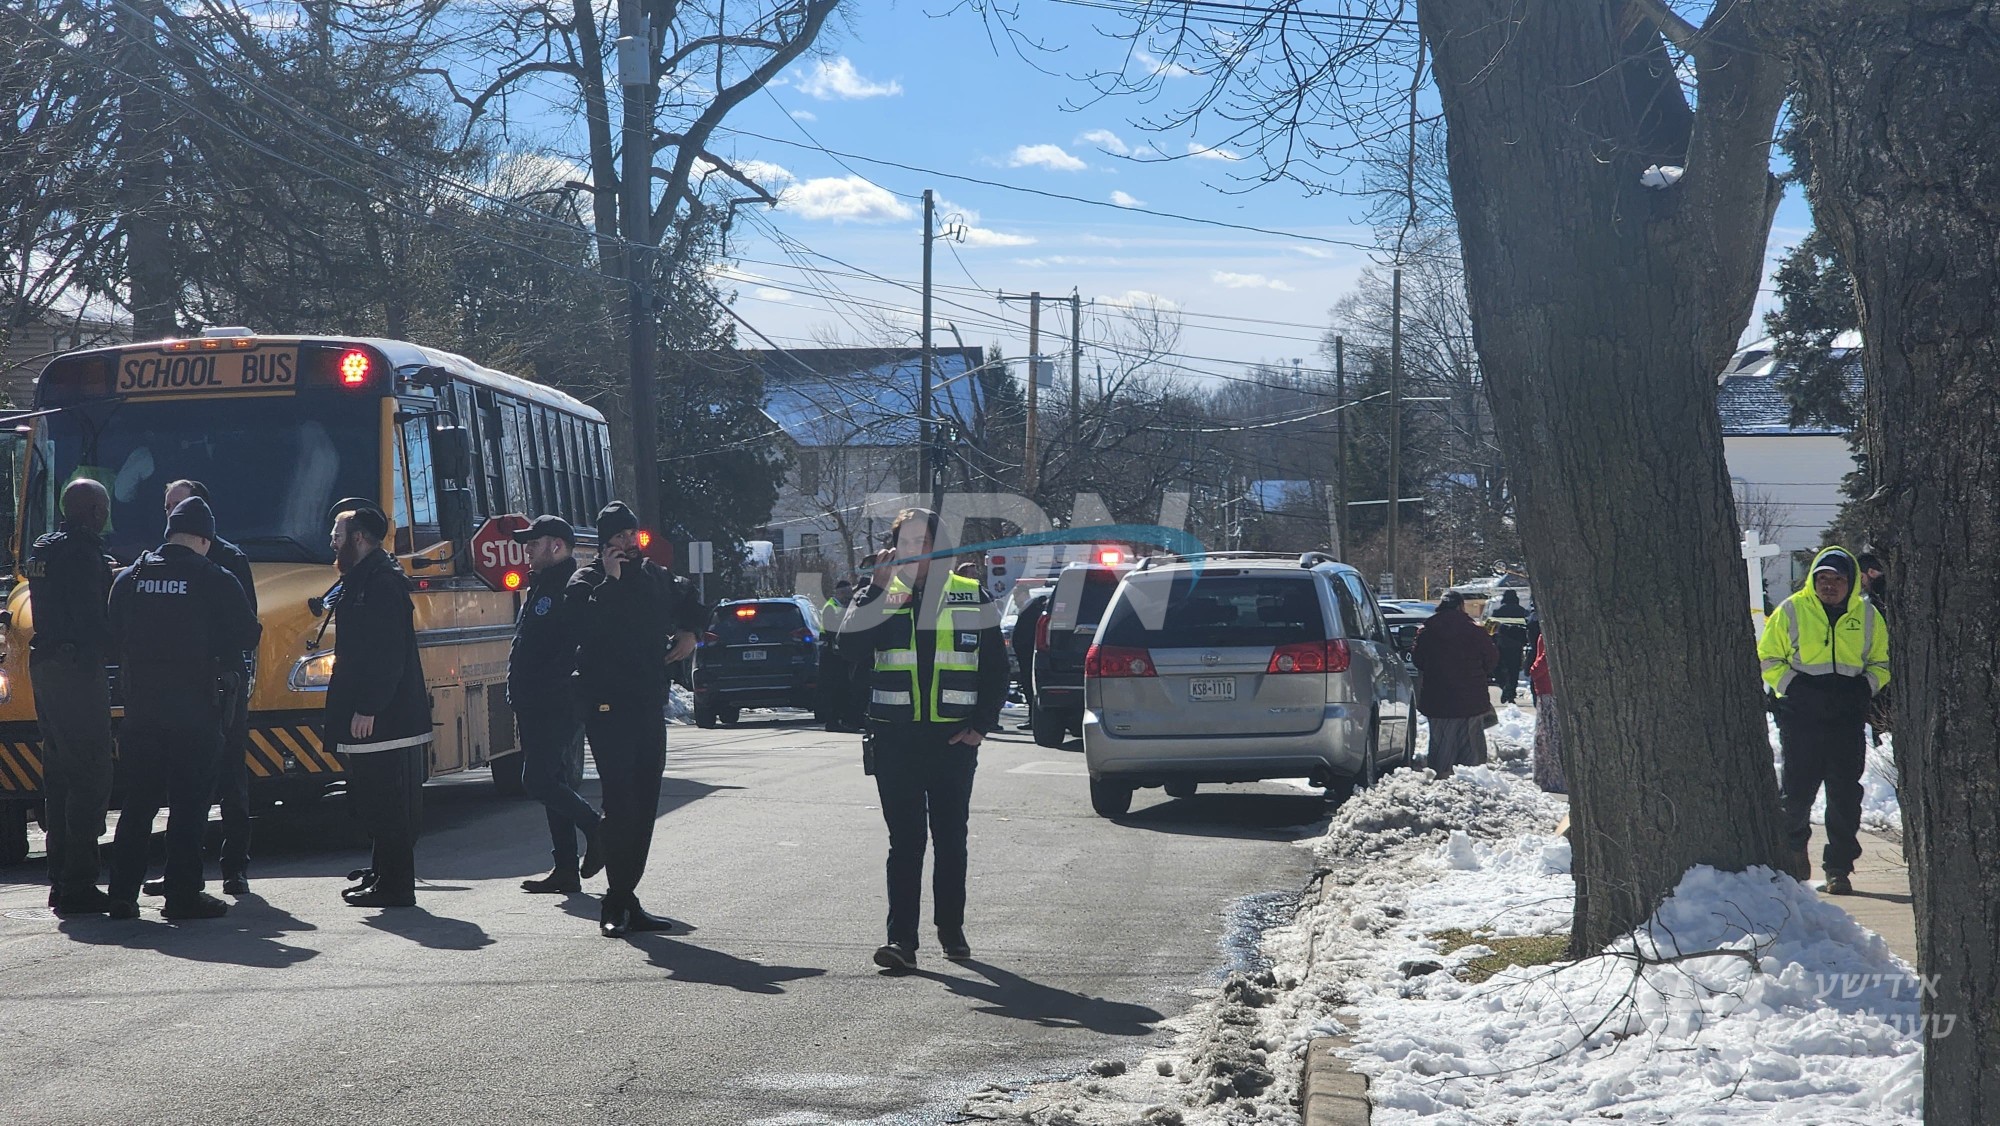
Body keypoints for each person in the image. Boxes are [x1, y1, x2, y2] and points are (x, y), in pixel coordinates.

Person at [836, 509, 1009, 972]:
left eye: (924, 542)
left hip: (953, 741)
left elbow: (996, 669)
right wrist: (878, 588)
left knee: (951, 840)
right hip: (896, 740)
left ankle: (951, 931)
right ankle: (901, 942)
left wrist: (981, 727)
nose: (916, 551)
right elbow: (848, 648)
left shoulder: (970, 593)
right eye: (907, 542)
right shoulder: (880, 593)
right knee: (906, 842)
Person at [103, 497, 262, 920]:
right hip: (195, 712)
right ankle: (182, 893)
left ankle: (121, 893)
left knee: (138, 805)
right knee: (190, 807)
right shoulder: (215, 578)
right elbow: (249, 635)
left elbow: (111, 637)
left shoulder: (130, 578)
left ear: (169, 533)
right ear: (205, 540)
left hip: (141, 713)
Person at [566, 501, 705, 937]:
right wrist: (610, 581)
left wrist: (690, 632)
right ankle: (614, 902)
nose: (628, 543)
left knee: (644, 807)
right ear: (603, 543)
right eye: (618, 537)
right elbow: (582, 629)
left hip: (648, 704)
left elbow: (691, 600)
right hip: (608, 707)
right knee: (621, 803)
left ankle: (628, 897)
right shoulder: (587, 581)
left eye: (631, 535)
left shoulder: (653, 576)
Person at [140, 481, 258, 898]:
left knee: (230, 776)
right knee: (182, 784)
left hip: (222, 683)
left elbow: (246, 627)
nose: (172, 512)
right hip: (179, 690)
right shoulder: (157, 559)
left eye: (179, 505)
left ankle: (235, 867)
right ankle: (180, 872)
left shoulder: (228, 559)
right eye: (168, 505)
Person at [1759, 546, 1889, 895]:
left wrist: (1863, 688)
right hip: (1801, 717)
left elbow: (1881, 663)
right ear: (1813, 579)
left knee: (1845, 796)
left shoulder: (1868, 615)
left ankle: (1838, 868)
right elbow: (1768, 659)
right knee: (1797, 795)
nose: (1829, 585)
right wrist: (1796, 688)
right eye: (1823, 578)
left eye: (1838, 579)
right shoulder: (1791, 610)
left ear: (1850, 582)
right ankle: (1794, 850)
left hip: (1846, 718)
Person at [324, 501, 433, 909]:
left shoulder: (382, 583)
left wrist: (368, 707)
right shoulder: (361, 578)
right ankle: (383, 876)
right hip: (371, 713)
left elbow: (387, 655)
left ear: (358, 539)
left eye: (337, 535)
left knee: (386, 804)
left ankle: (397, 886)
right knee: (372, 801)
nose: (331, 542)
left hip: (384, 718)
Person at [26, 479, 119, 916]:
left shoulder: (45, 547)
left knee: (59, 773)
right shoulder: (85, 553)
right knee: (90, 773)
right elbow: (93, 618)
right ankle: (80, 881)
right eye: (101, 508)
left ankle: (60, 877)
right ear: (93, 510)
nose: (105, 516)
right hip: (77, 669)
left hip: (45, 666)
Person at [506, 515, 602, 894]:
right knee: (554, 780)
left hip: (554, 700)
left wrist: (549, 684)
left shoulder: (569, 586)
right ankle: (565, 868)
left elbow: (569, 648)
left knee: (539, 780)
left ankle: (596, 829)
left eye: (534, 542)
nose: (527, 549)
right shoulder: (542, 584)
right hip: (533, 700)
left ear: (556, 546)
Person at [1411, 591, 1499, 779]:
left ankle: (1442, 780)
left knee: (1442, 745)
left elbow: (1419, 661)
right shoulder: (1475, 631)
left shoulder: (1428, 630)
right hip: (1471, 700)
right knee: (1471, 746)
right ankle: (1471, 782)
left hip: (1438, 700)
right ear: (1461, 606)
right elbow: (1491, 660)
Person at [1856, 552, 1893, 743]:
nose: (1860, 583)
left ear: (1871, 572)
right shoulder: (1893, 591)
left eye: (1861, 577)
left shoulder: (1878, 598)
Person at [819, 578, 861, 733]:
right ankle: (833, 721)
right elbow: (834, 631)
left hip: (838, 655)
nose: (850, 596)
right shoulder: (831, 608)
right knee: (833, 689)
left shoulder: (841, 607)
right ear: (840, 593)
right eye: (848, 593)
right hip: (830, 656)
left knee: (843, 688)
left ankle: (841, 719)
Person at [1528, 633, 1565, 793]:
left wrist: (1533, 670)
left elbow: (1546, 656)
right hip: (1550, 688)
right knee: (1551, 736)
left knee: (1549, 736)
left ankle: (1552, 778)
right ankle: (1551, 777)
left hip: (1548, 688)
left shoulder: (1548, 633)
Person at [1010, 588, 1050, 729]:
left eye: (1016, 597)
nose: (1015, 601)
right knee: (1027, 685)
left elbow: (1029, 634)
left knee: (1029, 685)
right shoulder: (1030, 609)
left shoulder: (1031, 610)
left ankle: (1033, 719)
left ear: (1023, 594)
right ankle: (1032, 718)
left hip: (1028, 655)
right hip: (1025, 655)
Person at [1486, 590, 1529, 705]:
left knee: (1498, 669)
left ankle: (1504, 686)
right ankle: (1510, 692)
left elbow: (1489, 630)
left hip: (1500, 645)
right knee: (1513, 670)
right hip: (1516, 646)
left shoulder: (1497, 612)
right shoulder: (1522, 612)